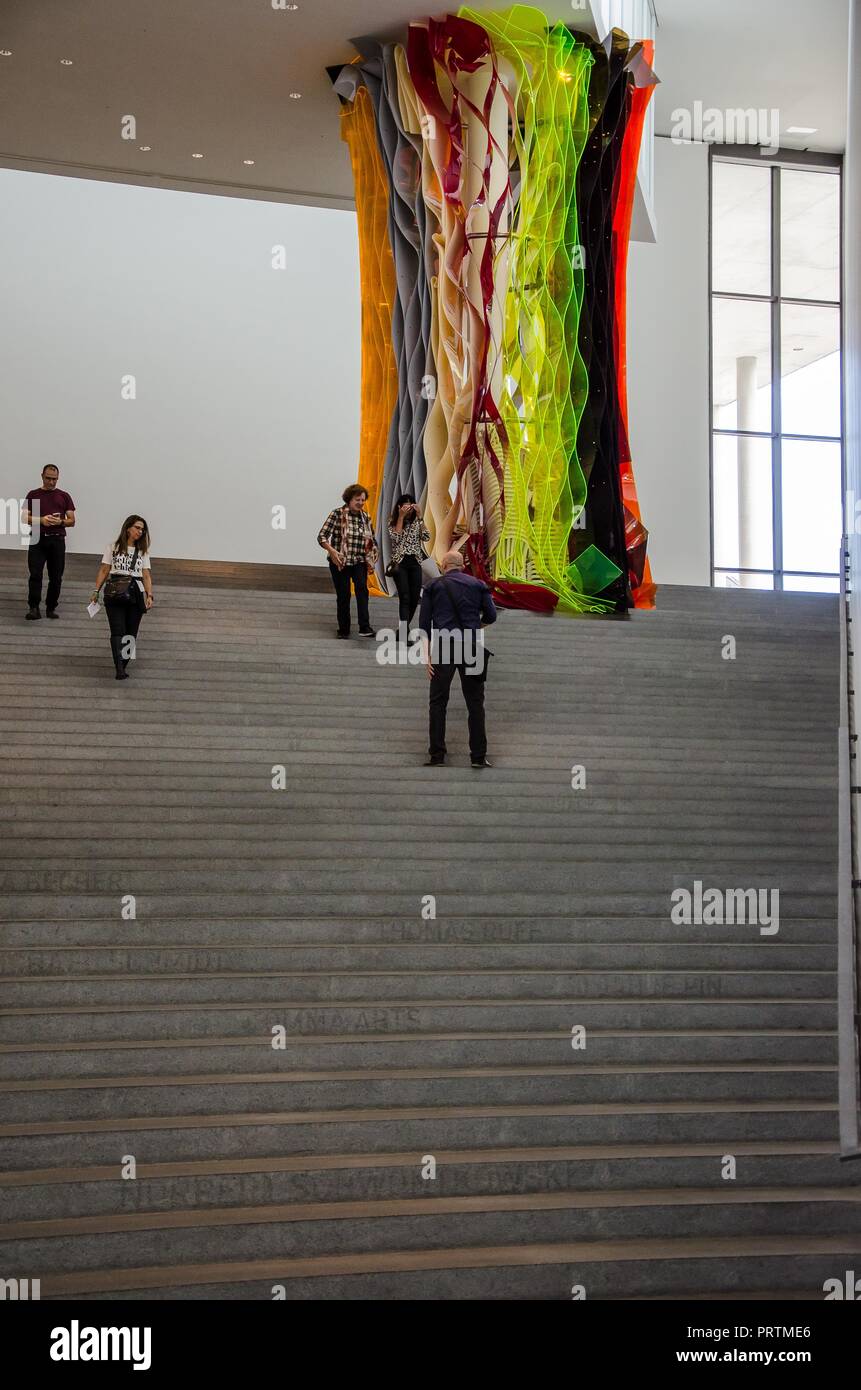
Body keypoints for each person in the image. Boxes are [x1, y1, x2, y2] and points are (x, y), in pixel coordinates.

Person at [418, 550, 497, 769]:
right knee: (475, 703)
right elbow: (492, 615)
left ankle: (437, 755)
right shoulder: (478, 585)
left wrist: (427, 658)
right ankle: (478, 757)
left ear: (443, 565)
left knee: (438, 702)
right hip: (471, 647)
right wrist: (474, 627)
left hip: (443, 647)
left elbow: (424, 625)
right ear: (462, 565)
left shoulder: (433, 587)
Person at [91, 516, 154, 680]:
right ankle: (119, 667)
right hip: (115, 590)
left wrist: (150, 595)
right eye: (137, 528)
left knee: (131, 633)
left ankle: (124, 664)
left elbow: (146, 575)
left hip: (136, 591)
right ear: (128, 528)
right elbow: (104, 569)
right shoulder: (113, 547)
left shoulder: (142, 551)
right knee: (117, 630)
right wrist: (96, 591)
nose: (140, 531)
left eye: (142, 529)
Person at [317, 484, 378, 639]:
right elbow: (322, 536)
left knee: (362, 592)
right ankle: (344, 629)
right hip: (340, 562)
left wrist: (372, 555)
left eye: (363, 500)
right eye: (357, 499)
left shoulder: (366, 517)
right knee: (344, 595)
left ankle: (365, 627)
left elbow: (372, 540)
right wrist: (332, 552)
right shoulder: (337, 514)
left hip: (359, 561)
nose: (360, 503)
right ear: (349, 499)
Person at [23, 464, 76, 620]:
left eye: (54, 479)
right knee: (35, 574)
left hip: (57, 539)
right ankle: (34, 607)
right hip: (37, 538)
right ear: (42, 476)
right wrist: (42, 520)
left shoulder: (64, 496)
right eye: (48, 478)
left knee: (56, 576)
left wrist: (59, 522)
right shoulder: (33, 495)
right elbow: (24, 517)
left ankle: (51, 607)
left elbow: (72, 521)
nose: (52, 482)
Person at [387, 492, 430, 639]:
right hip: (400, 563)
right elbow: (396, 537)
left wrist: (420, 516)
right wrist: (400, 516)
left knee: (414, 598)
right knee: (404, 597)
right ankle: (405, 632)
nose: (408, 508)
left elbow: (426, 537)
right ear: (399, 506)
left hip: (415, 562)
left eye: (410, 505)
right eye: (405, 505)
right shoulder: (393, 521)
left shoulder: (417, 522)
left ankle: (402, 630)